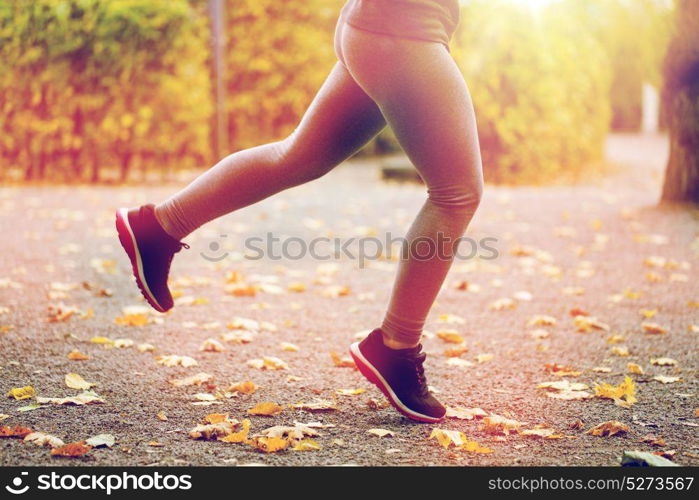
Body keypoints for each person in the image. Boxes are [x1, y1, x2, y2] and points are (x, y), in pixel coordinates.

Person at [116, 0, 483, 423]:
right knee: (456, 193)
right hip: (401, 33)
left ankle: (159, 226)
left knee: (298, 156)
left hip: (377, 29)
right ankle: (396, 346)